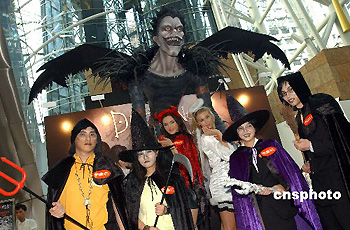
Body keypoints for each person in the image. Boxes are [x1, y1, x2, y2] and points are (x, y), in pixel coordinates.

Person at [223, 110, 322, 230]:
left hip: (282, 206)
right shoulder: (236, 158)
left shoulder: (271, 145)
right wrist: (253, 188)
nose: (246, 131)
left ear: (255, 128)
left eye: (249, 126)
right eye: (240, 128)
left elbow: (291, 173)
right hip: (260, 213)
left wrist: (282, 186)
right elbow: (238, 190)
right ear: (237, 134)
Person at [277, 72, 350, 229]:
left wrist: (311, 145)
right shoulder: (299, 117)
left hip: (340, 179)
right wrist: (310, 164)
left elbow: (342, 139)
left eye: (291, 90)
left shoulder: (321, 103)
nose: (288, 96)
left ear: (300, 87)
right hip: (322, 184)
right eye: (284, 94)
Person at [42, 118, 128, 230]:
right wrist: (56, 211)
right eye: (82, 134)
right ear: (74, 139)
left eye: (92, 134)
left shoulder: (107, 166)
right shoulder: (61, 169)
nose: (88, 138)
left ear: (97, 140)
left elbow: (118, 206)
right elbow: (53, 206)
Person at [120, 109, 195, 230]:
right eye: (140, 154)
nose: (145, 157)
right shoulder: (132, 183)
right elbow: (129, 214)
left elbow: (181, 210)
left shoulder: (172, 178)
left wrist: (166, 210)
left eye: (149, 151)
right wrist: (146, 228)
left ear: (156, 153)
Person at [155, 106, 209, 230]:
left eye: (172, 122)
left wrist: (172, 147)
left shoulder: (185, 138)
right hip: (174, 192)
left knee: (191, 225)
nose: (169, 126)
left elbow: (187, 162)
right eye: (165, 124)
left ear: (178, 122)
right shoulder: (164, 142)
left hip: (188, 189)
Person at [192, 106, 236, 230]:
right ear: (199, 124)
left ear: (212, 116)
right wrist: (218, 133)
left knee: (229, 225)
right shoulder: (206, 139)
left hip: (229, 180)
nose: (206, 121)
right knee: (230, 227)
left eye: (207, 117)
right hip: (222, 184)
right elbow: (229, 156)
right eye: (201, 120)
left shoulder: (215, 136)